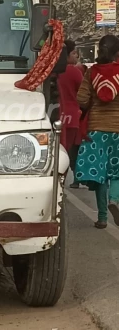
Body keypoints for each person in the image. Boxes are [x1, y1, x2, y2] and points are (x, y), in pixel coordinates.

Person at [75, 35, 119, 229]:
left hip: (95, 129)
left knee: (99, 174)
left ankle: (102, 218)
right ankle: (115, 200)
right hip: (118, 129)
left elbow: (81, 99)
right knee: (116, 173)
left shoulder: (92, 72)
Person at [57, 40, 83, 187]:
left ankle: (58, 184)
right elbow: (84, 92)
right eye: (74, 53)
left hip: (56, 115)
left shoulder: (51, 71)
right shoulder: (74, 71)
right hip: (73, 116)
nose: (76, 56)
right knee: (69, 152)